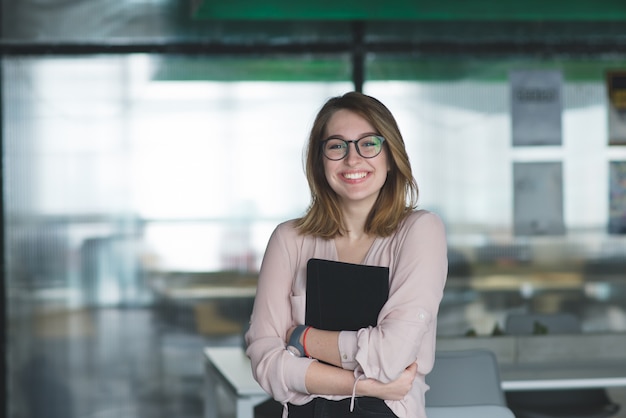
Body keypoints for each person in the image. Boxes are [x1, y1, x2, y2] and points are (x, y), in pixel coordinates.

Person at [245, 91, 448, 418]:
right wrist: (367, 385)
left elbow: (390, 356)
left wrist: (302, 338)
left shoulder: (420, 231)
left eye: (368, 143)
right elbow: (266, 363)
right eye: (337, 146)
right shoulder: (288, 239)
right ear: (320, 160)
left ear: (390, 155)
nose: (353, 160)